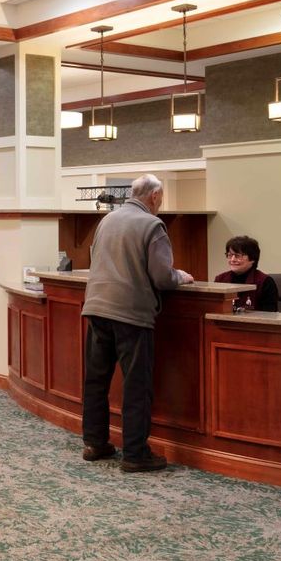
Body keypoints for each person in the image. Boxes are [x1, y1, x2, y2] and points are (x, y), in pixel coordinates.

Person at [81, 174, 194, 473]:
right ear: (155, 196)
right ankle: (135, 453)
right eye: (161, 198)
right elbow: (161, 276)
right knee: (136, 384)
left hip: (96, 306)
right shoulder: (152, 225)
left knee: (96, 380)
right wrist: (180, 276)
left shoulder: (107, 220)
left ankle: (94, 443)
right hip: (130, 312)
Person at [213, 235, 278, 312]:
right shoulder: (220, 279)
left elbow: (269, 315)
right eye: (230, 255)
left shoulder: (265, 282)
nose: (232, 259)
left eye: (238, 256)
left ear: (252, 259)